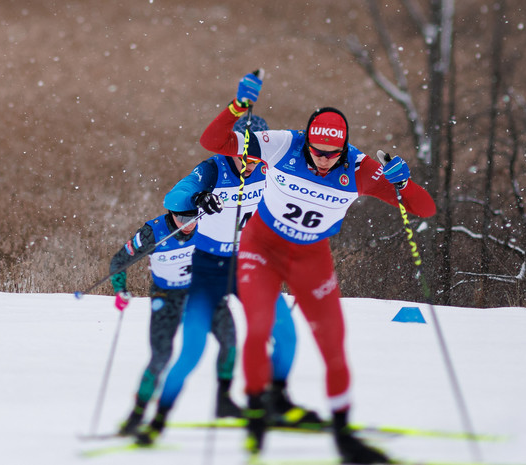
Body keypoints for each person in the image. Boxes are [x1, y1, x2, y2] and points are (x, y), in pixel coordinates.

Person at [198, 72, 437, 464]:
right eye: (317, 151)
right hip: (262, 248)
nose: (324, 160)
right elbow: (212, 142)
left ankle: (344, 436)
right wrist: (237, 108)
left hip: (311, 257)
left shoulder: (359, 168)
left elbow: (423, 208)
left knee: (333, 345)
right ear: (307, 140)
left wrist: (404, 182)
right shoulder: (283, 144)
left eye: (332, 153)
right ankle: (257, 417)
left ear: (343, 148)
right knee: (258, 330)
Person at [136, 115, 320, 446]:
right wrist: (197, 199)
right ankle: (157, 420)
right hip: (209, 269)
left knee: (286, 336)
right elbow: (175, 197)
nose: (248, 164)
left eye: (255, 157)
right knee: (192, 351)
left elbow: (322, 158)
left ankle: (274, 403)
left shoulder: (271, 165)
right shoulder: (214, 169)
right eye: (242, 155)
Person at [109, 209, 243, 436]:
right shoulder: (153, 232)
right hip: (167, 296)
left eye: (193, 218)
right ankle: (137, 414)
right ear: (171, 214)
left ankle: (224, 400)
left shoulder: (211, 225)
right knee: (161, 356)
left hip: (202, 293)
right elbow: (120, 260)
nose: (187, 224)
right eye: (181, 218)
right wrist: (120, 289)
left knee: (229, 342)